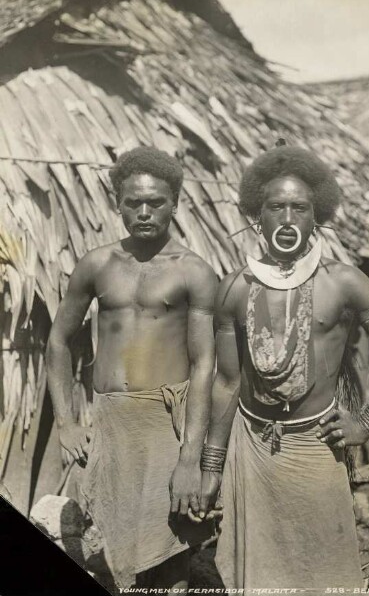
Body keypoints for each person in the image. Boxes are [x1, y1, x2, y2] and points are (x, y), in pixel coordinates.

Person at [198, 146, 369, 592]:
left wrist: (366, 422)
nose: (286, 218)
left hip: (317, 446)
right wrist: (211, 464)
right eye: (275, 207)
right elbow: (227, 380)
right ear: (256, 216)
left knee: (324, 573)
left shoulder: (343, 281)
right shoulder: (234, 289)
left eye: (298, 208)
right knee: (257, 578)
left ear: (314, 216)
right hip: (255, 448)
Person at [47, 147, 217, 593]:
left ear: (175, 202)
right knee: (110, 551)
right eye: (133, 202)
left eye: (156, 202)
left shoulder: (194, 272)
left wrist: (188, 459)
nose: (144, 212)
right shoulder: (97, 265)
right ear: (116, 203)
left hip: (165, 425)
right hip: (110, 421)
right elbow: (59, 342)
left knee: (171, 553)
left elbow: (204, 366)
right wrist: (66, 422)